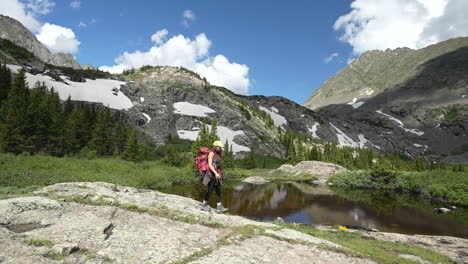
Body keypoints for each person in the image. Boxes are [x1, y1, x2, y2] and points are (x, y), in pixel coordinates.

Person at [201, 140, 228, 212]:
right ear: (215, 146)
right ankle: (204, 204)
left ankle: (219, 206)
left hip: (216, 174)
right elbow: (210, 165)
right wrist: (215, 173)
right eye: (219, 147)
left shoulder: (218, 154)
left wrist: (218, 173)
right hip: (211, 174)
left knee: (218, 190)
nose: (220, 148)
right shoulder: (211, 153)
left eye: (220, 147)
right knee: (210, 190)